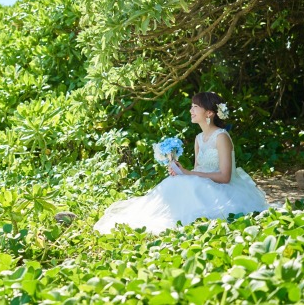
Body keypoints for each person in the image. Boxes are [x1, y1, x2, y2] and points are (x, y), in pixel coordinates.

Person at [94, 91, 268, 235]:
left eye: (195, 106)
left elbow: (225, 176)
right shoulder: (199, 138)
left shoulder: (221, 137)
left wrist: (189, 174)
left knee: (185, 183)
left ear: (209, 113)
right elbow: (198, 170)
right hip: (206, 183)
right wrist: (182, 172)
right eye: (191, 106)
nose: (191, 110)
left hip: (223, 188)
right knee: (175, 182)